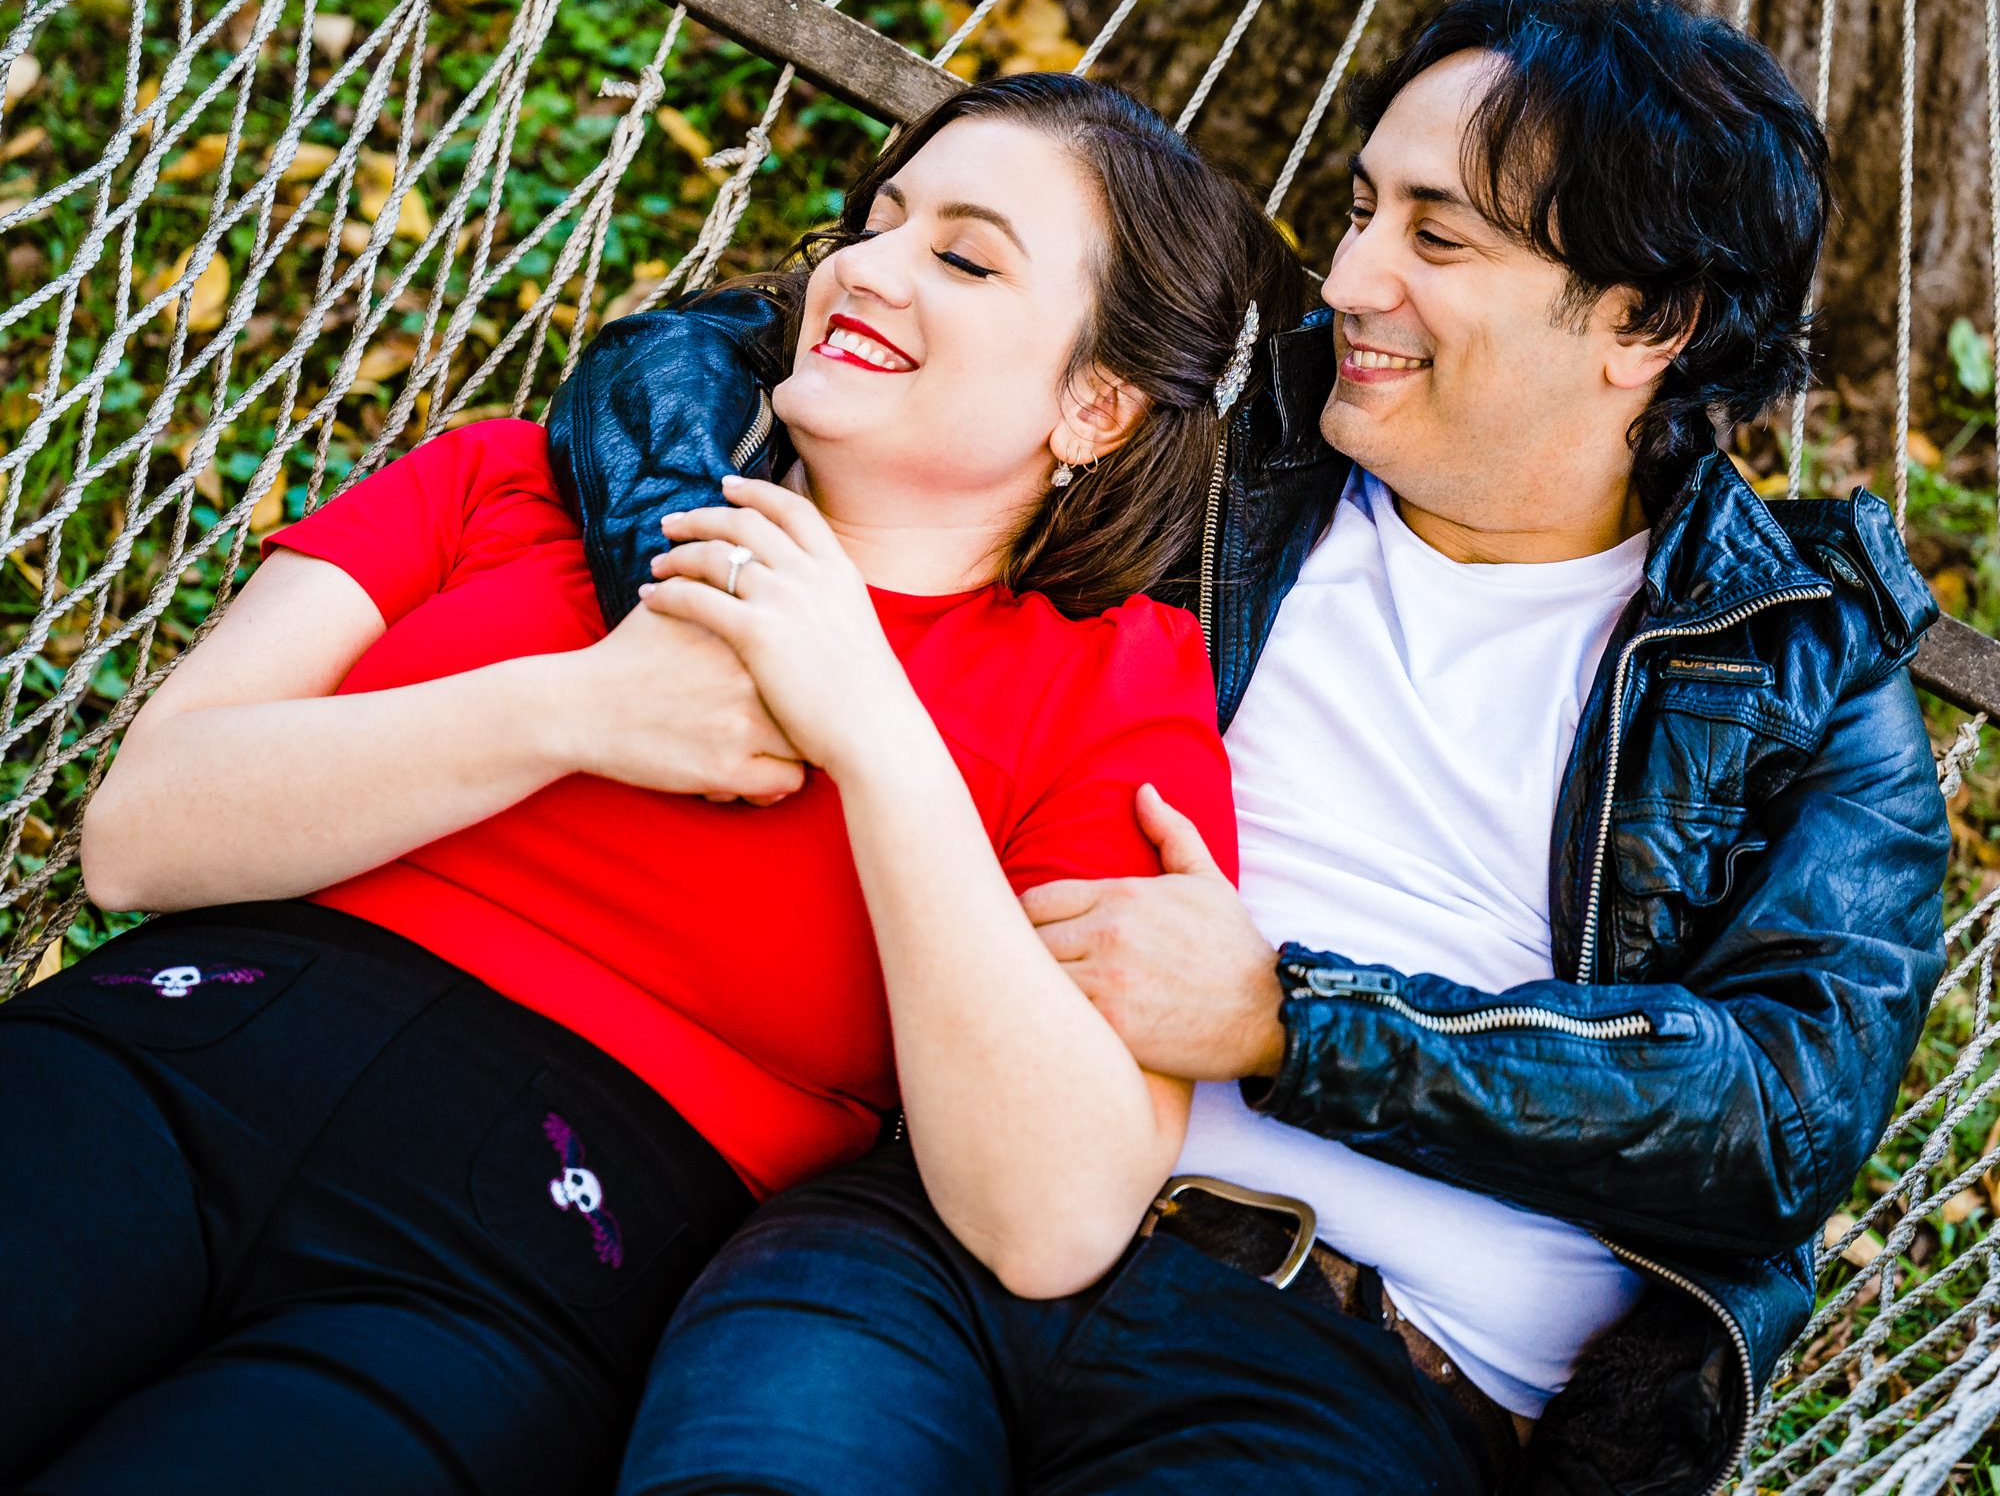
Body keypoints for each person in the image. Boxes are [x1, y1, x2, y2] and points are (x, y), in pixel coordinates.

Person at [565, 0, 1950, 1496]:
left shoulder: (1790, 662)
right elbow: (701, 355)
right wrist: (708, 601)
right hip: (950, 1218)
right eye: (1363, 208)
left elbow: (1779, 1114)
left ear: (1646, 321)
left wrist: (1290, 1020)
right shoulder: (1226, 446)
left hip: (1361, 1371)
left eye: (1437, 237)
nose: (1350, 277)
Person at [0, 73, 1306, 1496]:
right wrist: (579, 708)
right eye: (875, 223)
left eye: (963, 255)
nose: (861, 269)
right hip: (167, 1062)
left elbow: (1052, 1214)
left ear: (1096, 407)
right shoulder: (509, 483)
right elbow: (134, 836)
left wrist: (876, 735)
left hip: (521, 1277)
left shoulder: (1105, 687)